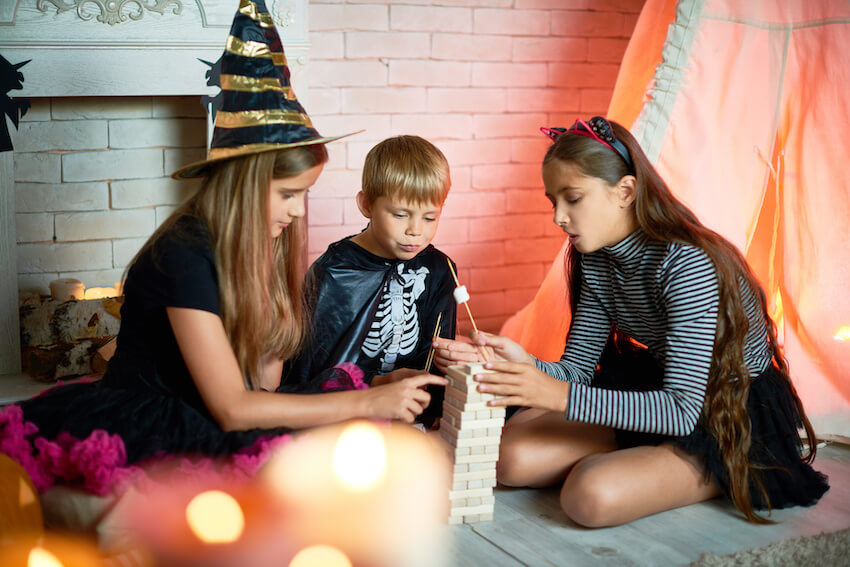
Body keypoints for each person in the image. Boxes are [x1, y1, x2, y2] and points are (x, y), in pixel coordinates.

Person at [0, 0, 445, 497]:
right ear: (244, 185)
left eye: (304, 195)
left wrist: (367, 387)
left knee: (352, 452)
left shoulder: (257, 246)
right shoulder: (183, 252)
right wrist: (363, 404)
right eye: (288, 195)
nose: (299, 212)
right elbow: (233, 407)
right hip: (161, 417)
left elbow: (268, 387)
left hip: (220, 409)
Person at [433, 116, 829, 527]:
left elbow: (681, 410)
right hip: (658, 389)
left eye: (573, 198)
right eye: (554, 201)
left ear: (624, 191)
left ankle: (724, 468)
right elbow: (576, 371)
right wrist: (523, 364)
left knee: (590, 495)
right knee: (510, 459)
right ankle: (644, 453)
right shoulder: (596, 258)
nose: (558, 217)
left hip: (721, 411)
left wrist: (557, 397)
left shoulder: (686, 264)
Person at [281, 135, 458, 428]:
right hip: (343, 416)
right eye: (400, 214)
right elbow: (312, 371)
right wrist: (378, 383)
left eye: (430, 217)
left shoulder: (440, 271)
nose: (416, 231)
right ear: (366, 205)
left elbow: (438, 353)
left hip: (414, 416)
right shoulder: (335, 271)